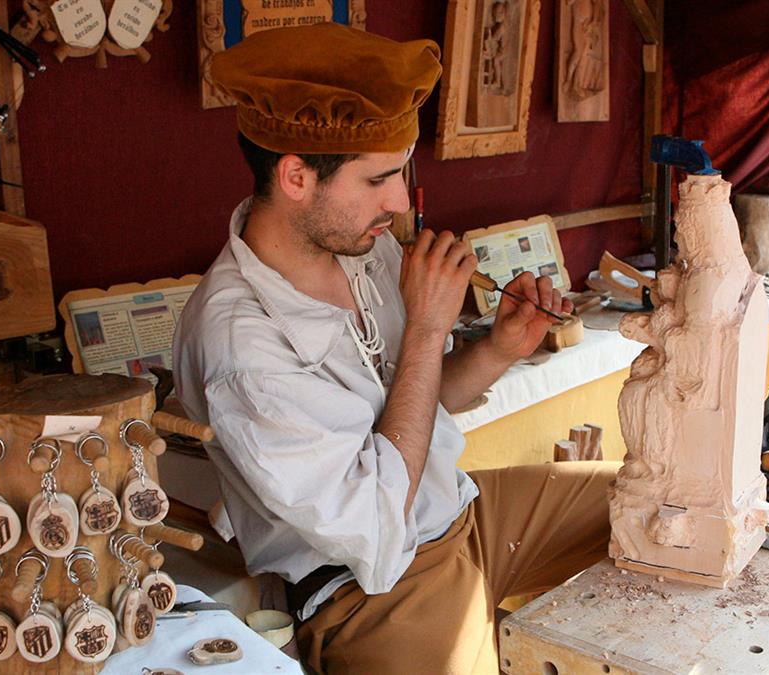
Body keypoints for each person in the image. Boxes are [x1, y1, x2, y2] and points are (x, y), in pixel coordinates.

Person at [172, 23, 617, 674]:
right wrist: (430, 328)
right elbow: (372, 523)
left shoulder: (361, 246)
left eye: (401, 173)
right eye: (379, 179)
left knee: (656, 511)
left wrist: (498, 347)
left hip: (462, 517)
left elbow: (414, 407)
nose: (400, 202)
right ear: (297, 175)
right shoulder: (241, 343)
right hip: (370, 589)